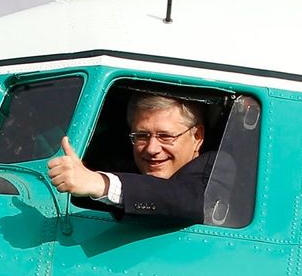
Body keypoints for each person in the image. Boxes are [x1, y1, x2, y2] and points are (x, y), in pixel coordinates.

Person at [47, 93, 216, 224]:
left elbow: (191, 201)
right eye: (142, 136)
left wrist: (99, 183)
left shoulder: (217, 166)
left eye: (165, 136)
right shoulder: (124, 167)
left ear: (197, 136)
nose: (152, 149)